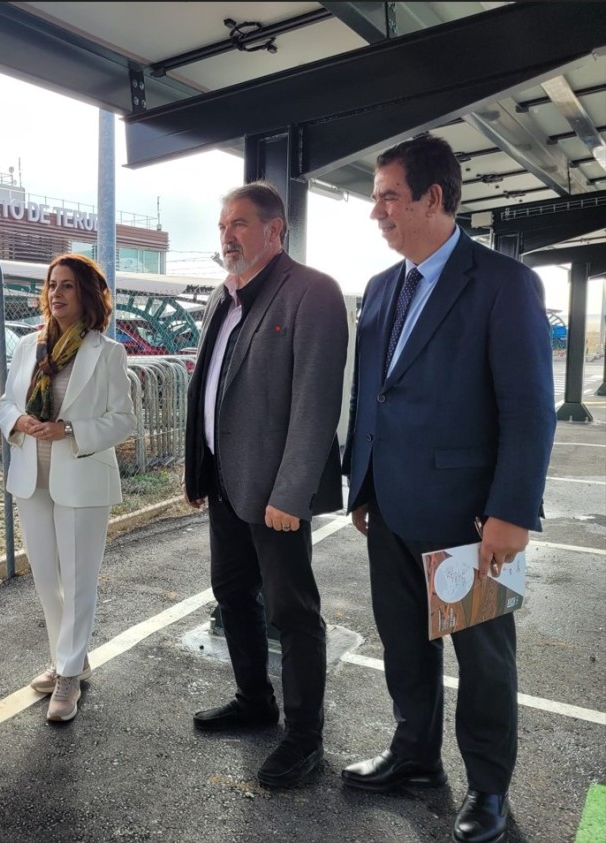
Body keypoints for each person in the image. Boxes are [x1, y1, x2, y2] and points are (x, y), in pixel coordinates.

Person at [341, 133, 554, 843]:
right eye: (375, 199)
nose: (377, 213)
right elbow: (373, 395)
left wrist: (511, 511)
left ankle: (488, 788)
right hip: (392, 509)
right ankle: (414, 756)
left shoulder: (501, 283)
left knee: (484, 660)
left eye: (389, 197)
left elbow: (528, 409)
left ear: (434, 198)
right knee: (405, 645)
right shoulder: (380, 288)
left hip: (470, 516)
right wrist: (362, 484)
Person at [183, 182, 349, 788]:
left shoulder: (312, 292)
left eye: (242, 224)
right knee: (231, 593)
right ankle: (255, 700)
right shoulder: (221, 299)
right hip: (226, 483)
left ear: (276, 231)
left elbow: (315, 402)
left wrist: (292, 492)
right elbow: (210, 387)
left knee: (294, 611)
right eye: (224, 224)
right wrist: (197, 470)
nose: (228, 235)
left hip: (276, 491)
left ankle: (305, 738)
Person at [0, 254, 135, 723]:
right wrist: (19, 420)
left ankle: (69, 674)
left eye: (68, 286)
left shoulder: (107, 352)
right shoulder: (26, 347)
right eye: (52, 285)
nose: (56, 294)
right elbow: (6, 402)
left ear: (87, 295)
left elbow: (123, 419)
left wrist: (70, 429)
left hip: (81, 476)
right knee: (45, 577)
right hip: (31, 474)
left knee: (77, 581)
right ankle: (66, 658)